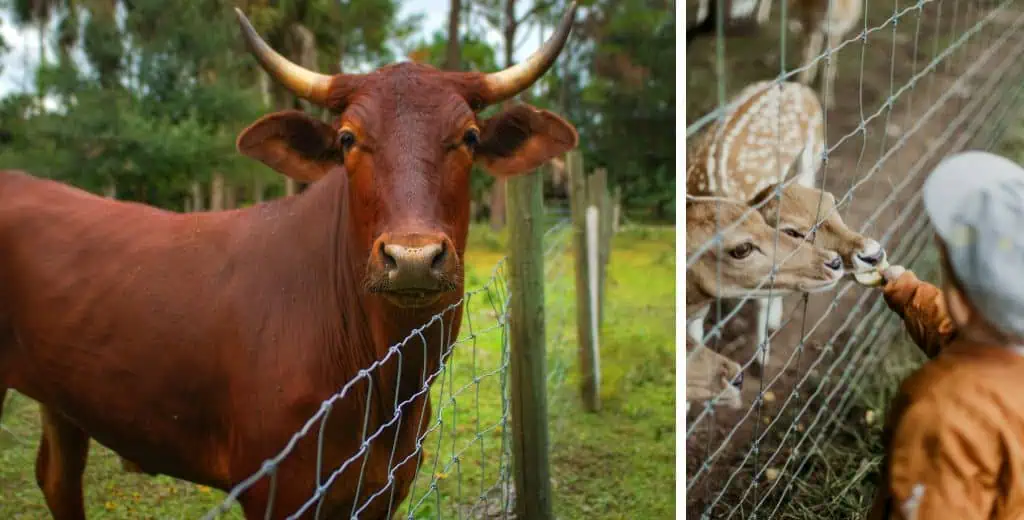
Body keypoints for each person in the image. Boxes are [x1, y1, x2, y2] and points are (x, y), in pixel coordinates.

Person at [867, 150, 1024, 519]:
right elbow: (966, 342)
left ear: (961, 302)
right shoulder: (1004, 357)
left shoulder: (945, 416)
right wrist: (909, 294)